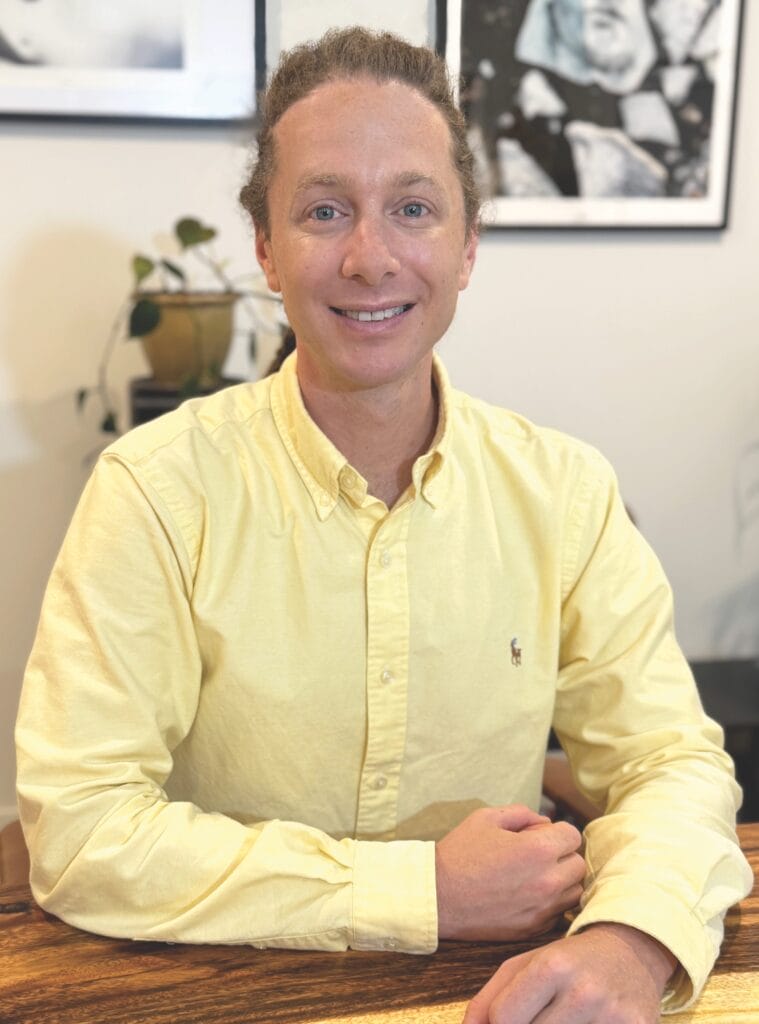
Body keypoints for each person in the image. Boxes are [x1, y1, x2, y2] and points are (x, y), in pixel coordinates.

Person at [15, 26, 751, 1024]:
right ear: (268, 250)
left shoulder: (564, 490)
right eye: (325, 211)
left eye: (413, 209)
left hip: (487, 991)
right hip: (215, 991)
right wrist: (420, 891)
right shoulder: (152, 490)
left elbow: (669, 760)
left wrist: (634, 939)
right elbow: (83, 831)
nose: (370, 258)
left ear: (467, 244)